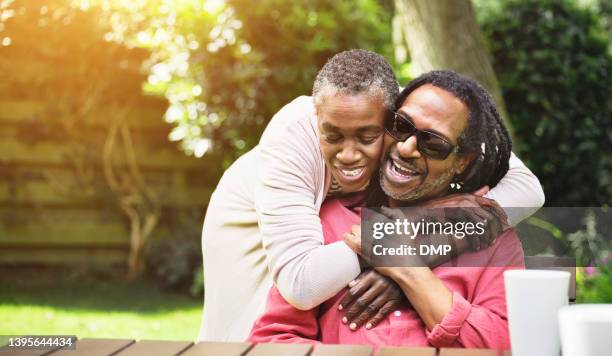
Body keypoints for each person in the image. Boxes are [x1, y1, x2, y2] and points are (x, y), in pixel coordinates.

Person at [199, 50, 543, 341]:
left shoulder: (428, 110)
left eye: (368, 135)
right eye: (403, 129)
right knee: (235, 333)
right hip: (252, 223)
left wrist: (405, 266)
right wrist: (393, 236)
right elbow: (299, 288)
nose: (409, 146)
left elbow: (528, 189)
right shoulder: (300, 140)